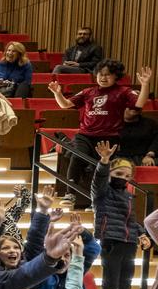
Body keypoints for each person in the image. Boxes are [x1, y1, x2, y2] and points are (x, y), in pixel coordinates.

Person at [52, 62, 150, 209]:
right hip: (85, 135)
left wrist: (145, 85)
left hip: (109, 137)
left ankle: (96, 202)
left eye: (107, 74)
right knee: (77, 156)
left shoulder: (123, 91)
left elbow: (140, 103)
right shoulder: (88, 92)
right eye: (100, 74)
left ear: (115, 76)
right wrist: (57, 93)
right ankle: (70, 193)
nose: (103, 77)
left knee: (100, 169)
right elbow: (65, 104)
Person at [92, 142, 147, 289]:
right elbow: (98, 179)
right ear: (110, 173)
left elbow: (130, 220)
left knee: (126, 284)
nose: (122, 177)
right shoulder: (102, 192)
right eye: (118, 173)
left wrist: (142, 234)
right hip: (111, 242)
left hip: (129, 243)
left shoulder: (129, 196)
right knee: (111, 284)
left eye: (127, 175)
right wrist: (104, 160)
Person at [118, 101, 158, 166]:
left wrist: (149, 155)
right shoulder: (112, 123)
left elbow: (156, 141)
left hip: (145, 157)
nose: (134, 108)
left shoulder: (150, 123)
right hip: (119, 158)